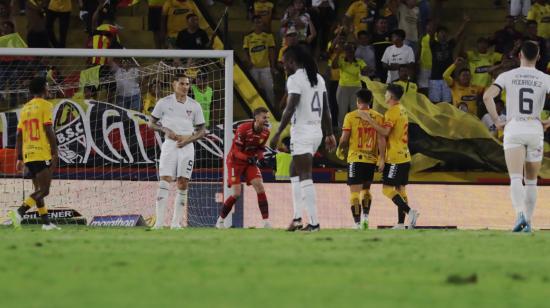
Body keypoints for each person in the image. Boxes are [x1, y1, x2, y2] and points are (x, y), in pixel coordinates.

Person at [483, 40, 550, 232]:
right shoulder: (545, 78)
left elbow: (487, 96)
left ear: (520, 55)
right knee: (531, 181)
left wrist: (496, 121)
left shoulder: (507, 76)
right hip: (535, 127)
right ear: (538, 57)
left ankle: (519, 215)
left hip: (514, 128)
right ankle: (528, 222)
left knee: (515, 178)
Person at [269, 45, 337, 232]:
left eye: (284, 62)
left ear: (291, 61)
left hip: (302, 132)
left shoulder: (295, 79)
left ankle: (314, 223)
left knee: (305, 175)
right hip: (316, 132)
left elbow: (290, 108)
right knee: (294, 170)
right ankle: (297, 218)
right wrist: (330, 134)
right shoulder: (318, 78)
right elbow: (326, 110)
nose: (283, 65)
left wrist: (277, 133)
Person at [149, 72, 206, 229]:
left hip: (187, 147)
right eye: (182, 83)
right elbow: (151, 123)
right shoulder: (163, 102)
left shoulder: (195, 105)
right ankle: (159, 223)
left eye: (187, 84)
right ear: (174, 85)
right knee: (165, 179)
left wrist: (189, 139)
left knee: (182, 183)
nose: (185, 87)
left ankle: (176, 223)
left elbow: (202, 130)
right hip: (169, 145)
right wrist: (164, 129)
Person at [358, 84, 420, 229]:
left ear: (391, 97)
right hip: (405, 155)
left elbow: (385, 133)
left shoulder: (392, 112)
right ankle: (401, 223)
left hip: (395, 157)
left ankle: (410, 212)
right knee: (400, 189)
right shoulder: (403, 110)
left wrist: (369, 120)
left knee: (387, 189)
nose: (384, 96)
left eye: (386, 94)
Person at [8, 77, 60, 230]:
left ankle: (46, 223)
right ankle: (19, 212)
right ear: (44, 89)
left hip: (27, 153)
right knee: (45, 190)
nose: (49, 88)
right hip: (40, 152)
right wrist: (55, 151)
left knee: (38, 189)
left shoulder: (25, 108)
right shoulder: (46, 105)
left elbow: (19, 135)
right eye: (48, 86)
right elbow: (49, 129)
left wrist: (19, 157)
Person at [216, 107, 271, 229]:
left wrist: (261, 158)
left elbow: (260, 148)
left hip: (249, 161)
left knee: (260, 187)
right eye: (264, 117)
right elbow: (236, 152)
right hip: (235, 161)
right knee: (236, 193)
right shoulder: (243, 129)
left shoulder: (266, 132)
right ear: (256, 118)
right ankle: (220, 221)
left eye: (268, 118)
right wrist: (248, 158)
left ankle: (266, 222)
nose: (266, 120)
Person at [338, 89, 386, 230]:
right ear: (371, 101)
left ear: (357, 101)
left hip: (355, 158)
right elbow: (381, 139)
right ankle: (365, 217)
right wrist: (382, 158)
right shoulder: (378, 117)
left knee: (354, 193)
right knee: (366, 189)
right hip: (371, 159)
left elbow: (345, 138)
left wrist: (340, 147)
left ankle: (357, 223)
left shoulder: (351, 116)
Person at [243, 15, 276, 106]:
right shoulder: (248, 37)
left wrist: (272, 67)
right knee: (254, 90)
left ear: (262, 24)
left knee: (269, 90)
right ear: (253, 23)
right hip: (253, 68)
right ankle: (255, 109)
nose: (258, 24)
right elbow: (245, 51)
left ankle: (271, 108)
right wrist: (249, 62)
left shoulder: (268, 36)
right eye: (256, 22)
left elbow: (271, 51)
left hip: (266, 67)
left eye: (260, 22)